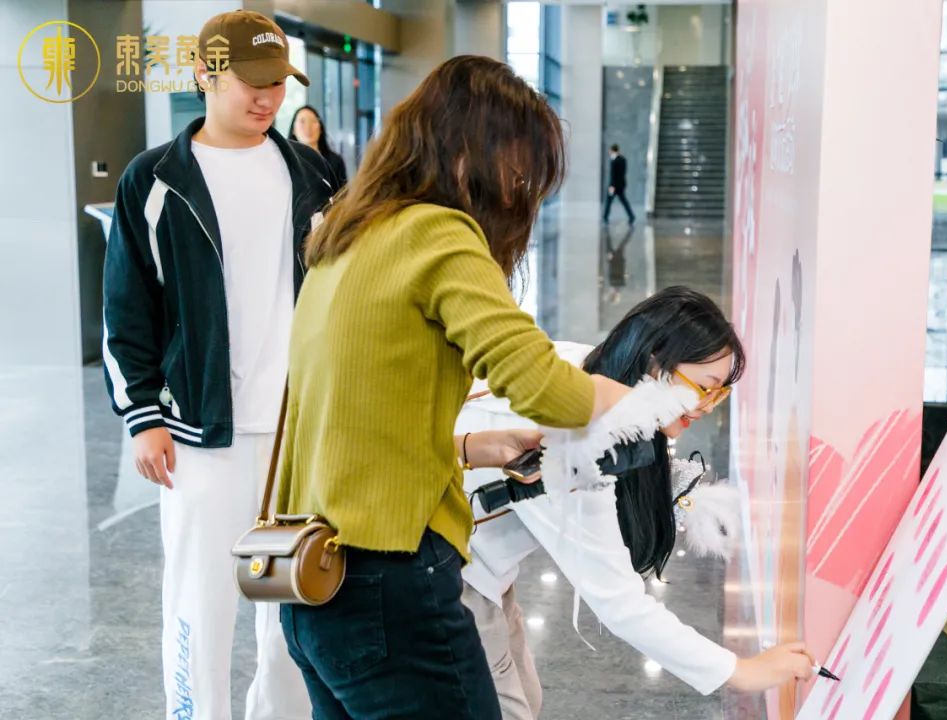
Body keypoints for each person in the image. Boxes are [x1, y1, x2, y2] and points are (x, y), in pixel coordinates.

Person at [275, 55, 636, 719]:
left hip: (314, 582)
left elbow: (355, 413)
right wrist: (642, 400)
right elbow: (543, 385)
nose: (521, 194)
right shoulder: (439, 233)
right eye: (520, 172)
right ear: (472, 155)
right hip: (390, 586)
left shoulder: (352, 232)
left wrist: (473, 449)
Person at [102, 10, 339, 719]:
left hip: (299, 434)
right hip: (201, 436)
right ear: (205, 74)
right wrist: (144, 416)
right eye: (251, 82)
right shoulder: (156, 180)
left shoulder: (311, 174)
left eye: (278, 82)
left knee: (292, 612)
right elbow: (126, 309)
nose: (268, 98)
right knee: (201, 607)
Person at [457, 287, 817, 719]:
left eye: (719, 394)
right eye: (703, 388)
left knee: (524, 700)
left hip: (474, 568)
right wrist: (742, 671)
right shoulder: (583, 440)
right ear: (652, 364)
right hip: (447, 572)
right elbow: (620, 604)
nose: (707, 407)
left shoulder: (589, 371)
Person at [288, 104, 348, 187]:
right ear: (293, 130)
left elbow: (343, 192)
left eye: (313, 121)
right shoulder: (287, 161)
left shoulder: (335, 161)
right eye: (302, 121)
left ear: (320, 129)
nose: (308, 127)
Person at [604, 143, 636, 225]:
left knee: (609, 201)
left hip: (614, 186)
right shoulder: (623, 159)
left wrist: (611, 186)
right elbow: (623, 173)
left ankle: (605, 217)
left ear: (612, 150)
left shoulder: (613, 160)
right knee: (624, 201)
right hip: (621, 185)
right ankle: (631, 216)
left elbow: (613, 175)